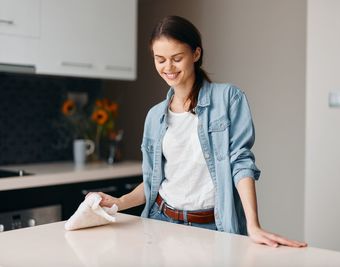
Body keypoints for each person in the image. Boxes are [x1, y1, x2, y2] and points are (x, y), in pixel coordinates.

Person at [95, 15, 307, 248]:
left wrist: (253, 225)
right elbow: (152, 180)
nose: (168, 68)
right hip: (161, 221)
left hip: (213, 227)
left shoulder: (228, 98)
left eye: (177, 58)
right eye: (160, 59)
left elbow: (241, 162)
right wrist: (118, 202)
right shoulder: (155, 116)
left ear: (196, 54)